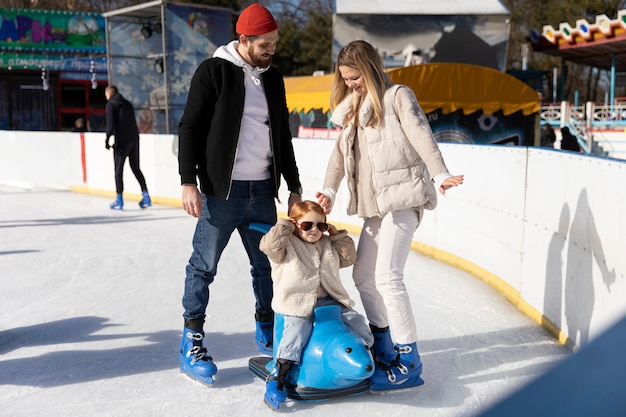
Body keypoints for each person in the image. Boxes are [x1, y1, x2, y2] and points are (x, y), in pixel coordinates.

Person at [316, 40, 464, 392]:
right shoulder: (353, 108)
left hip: (404, 200)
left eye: (355, 77)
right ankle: (383, 344)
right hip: (376, 208)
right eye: (346, 79)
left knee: (388, 278)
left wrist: (439, 173)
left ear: (369, 67)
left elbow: (419, 132)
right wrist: (330, 190)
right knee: (364, 275)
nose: (351, 84)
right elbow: (340, 156)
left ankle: (409, 361)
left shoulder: (397, 96)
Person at [177, 3, 303, 386]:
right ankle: (191, 340)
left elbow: (281, 135)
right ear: (244, 40)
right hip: (221, 193)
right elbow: (190, 128)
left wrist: (294, 186)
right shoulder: (213, 71)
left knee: (267, 266)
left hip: (263, 190)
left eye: (275, 44)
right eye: (265, 44)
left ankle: (267, 327)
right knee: (204, 266)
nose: (271, 51)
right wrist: (188, 181)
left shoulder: (274, 77)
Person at [259, 200, 374, 410]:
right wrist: (285, 226)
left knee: (356, 320)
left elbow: (349, 258)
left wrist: (337, 236)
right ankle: (279, 375)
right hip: (297, 302)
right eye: (307, 225)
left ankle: (370, 356)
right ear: (295, 224)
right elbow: (267, 245)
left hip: (330, 300)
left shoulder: (327, 244)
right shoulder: (285, 245)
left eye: (320, 226)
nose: (314, 230)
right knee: (296, 332)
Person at [104, 85, 151, 210]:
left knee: (118, 171)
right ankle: (146, 195)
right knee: (136, 168)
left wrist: (107, 139)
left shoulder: (111, 104)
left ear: (109, 94)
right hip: (134, 139)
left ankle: (119, 200)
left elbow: (110, 124)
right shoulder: (128, 104)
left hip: (121, 142)